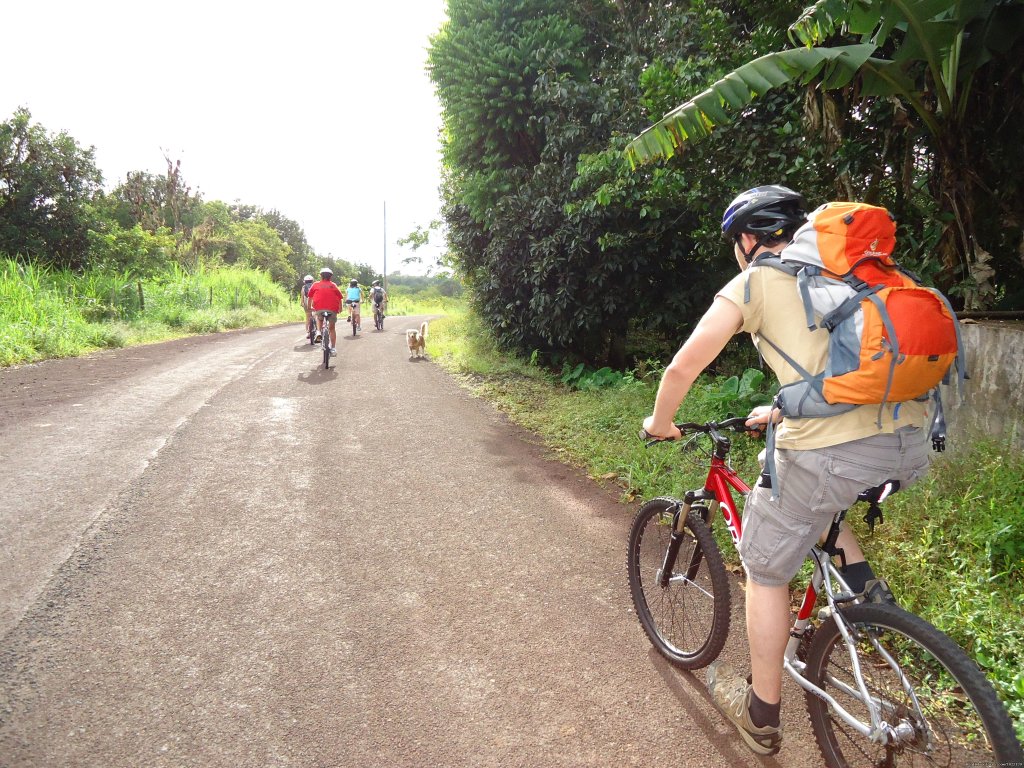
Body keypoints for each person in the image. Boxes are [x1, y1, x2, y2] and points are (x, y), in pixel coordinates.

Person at [641, 185, 931, 756]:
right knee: (817, 499)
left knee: (765, 570)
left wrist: (659, 422)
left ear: (748, 240)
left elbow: (682, 366)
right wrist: (778, 407)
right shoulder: (850, 275)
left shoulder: (755, 281)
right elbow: (847, 371)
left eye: (736, 243)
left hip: (831, 449)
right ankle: (874, 613)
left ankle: (761, 715)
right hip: (907, 443)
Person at [307, 268, 343, 355]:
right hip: (332, 309)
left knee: (319, 318)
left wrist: (309, 307)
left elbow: (310, 297)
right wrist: (340, 308)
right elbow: (340, 297)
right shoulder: (333, 285)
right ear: (331, 276)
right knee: (332, 328)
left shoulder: (315, 285)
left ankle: (319, 332)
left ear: (321, 275)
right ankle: (333, 349)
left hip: (319, 308)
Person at [300, 274, 315, 340]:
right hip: (314, 304)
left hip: (306, 304)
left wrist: (302, 303)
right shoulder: (314, 286)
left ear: (305, 281)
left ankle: (308, 332)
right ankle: (318, 330)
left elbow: (302, 296)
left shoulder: (303, 287)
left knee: (307, 317)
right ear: (312, 281)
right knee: (316, 316)